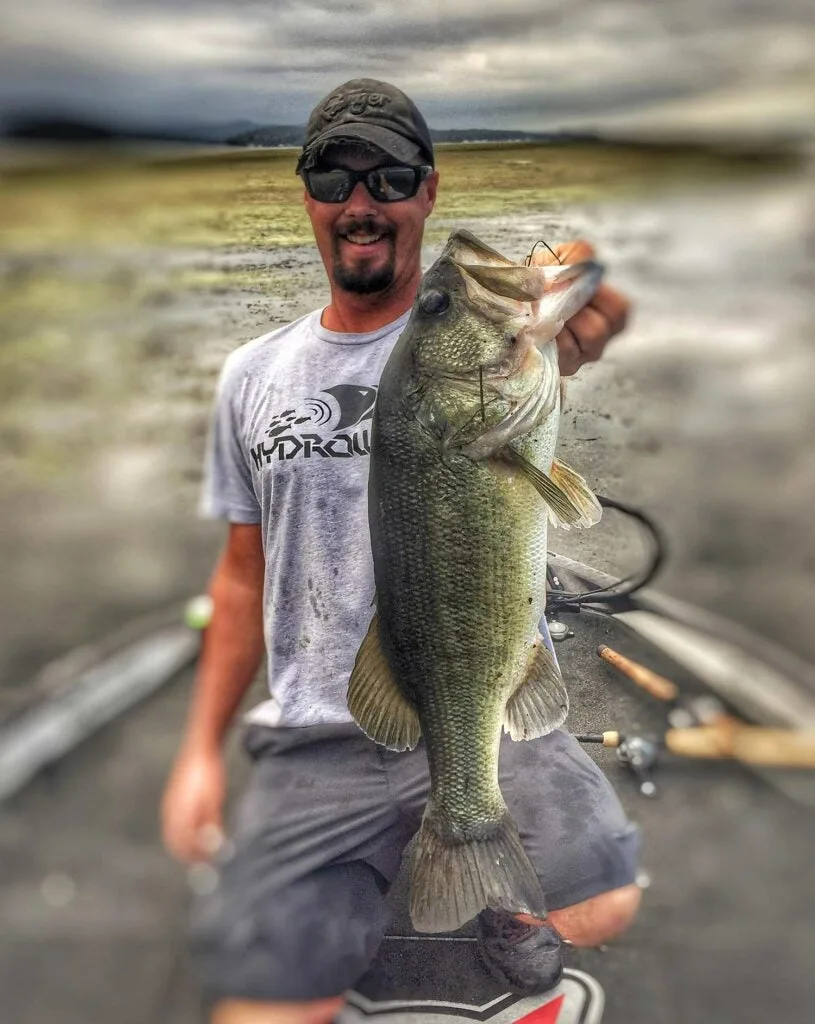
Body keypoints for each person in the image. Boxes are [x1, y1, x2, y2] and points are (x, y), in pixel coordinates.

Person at [161, 78, 640, 1024]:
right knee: (260, 1010)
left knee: (604, 904)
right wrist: (199, 753)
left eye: (389, 175)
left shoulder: (497, 356)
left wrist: (584, 296)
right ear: (306, 196)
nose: (360, 200)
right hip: (312, 726)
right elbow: (239, 572)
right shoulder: (251, 376)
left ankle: (460, 869)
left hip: (480, 699)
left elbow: (584, 278)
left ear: (426, 190)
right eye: (334, 176)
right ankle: (376, 894)